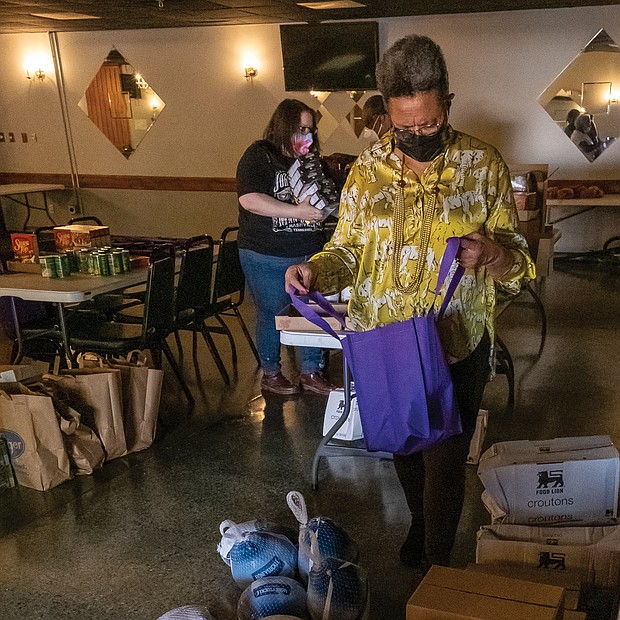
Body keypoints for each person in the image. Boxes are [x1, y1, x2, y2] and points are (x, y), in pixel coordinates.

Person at [285, 35, 535, 568]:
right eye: (404, 127)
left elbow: (518, 261)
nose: (417, 135)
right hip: (387, 341)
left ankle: (438, 567)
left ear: (447, 100)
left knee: (445, 456)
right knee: (402, 445)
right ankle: (420, 526)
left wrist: (491, 253)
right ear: (387, 114)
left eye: (428, 123)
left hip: (455, 341)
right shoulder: (367, 170)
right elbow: (347, 251)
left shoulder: (482, 166)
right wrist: (315, 270)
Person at [236, 98, 336, 396]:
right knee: (272, 312)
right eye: (300, 129)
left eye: (311, 129)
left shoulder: (310, 160)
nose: (307, 135)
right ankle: (271, 372)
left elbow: (329, 199)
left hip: (308, 251)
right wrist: (297, 212)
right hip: (266, 252)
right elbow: (249, 199)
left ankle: (310, 371)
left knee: (310, 312)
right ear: (284, 128)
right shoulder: (259, 155)